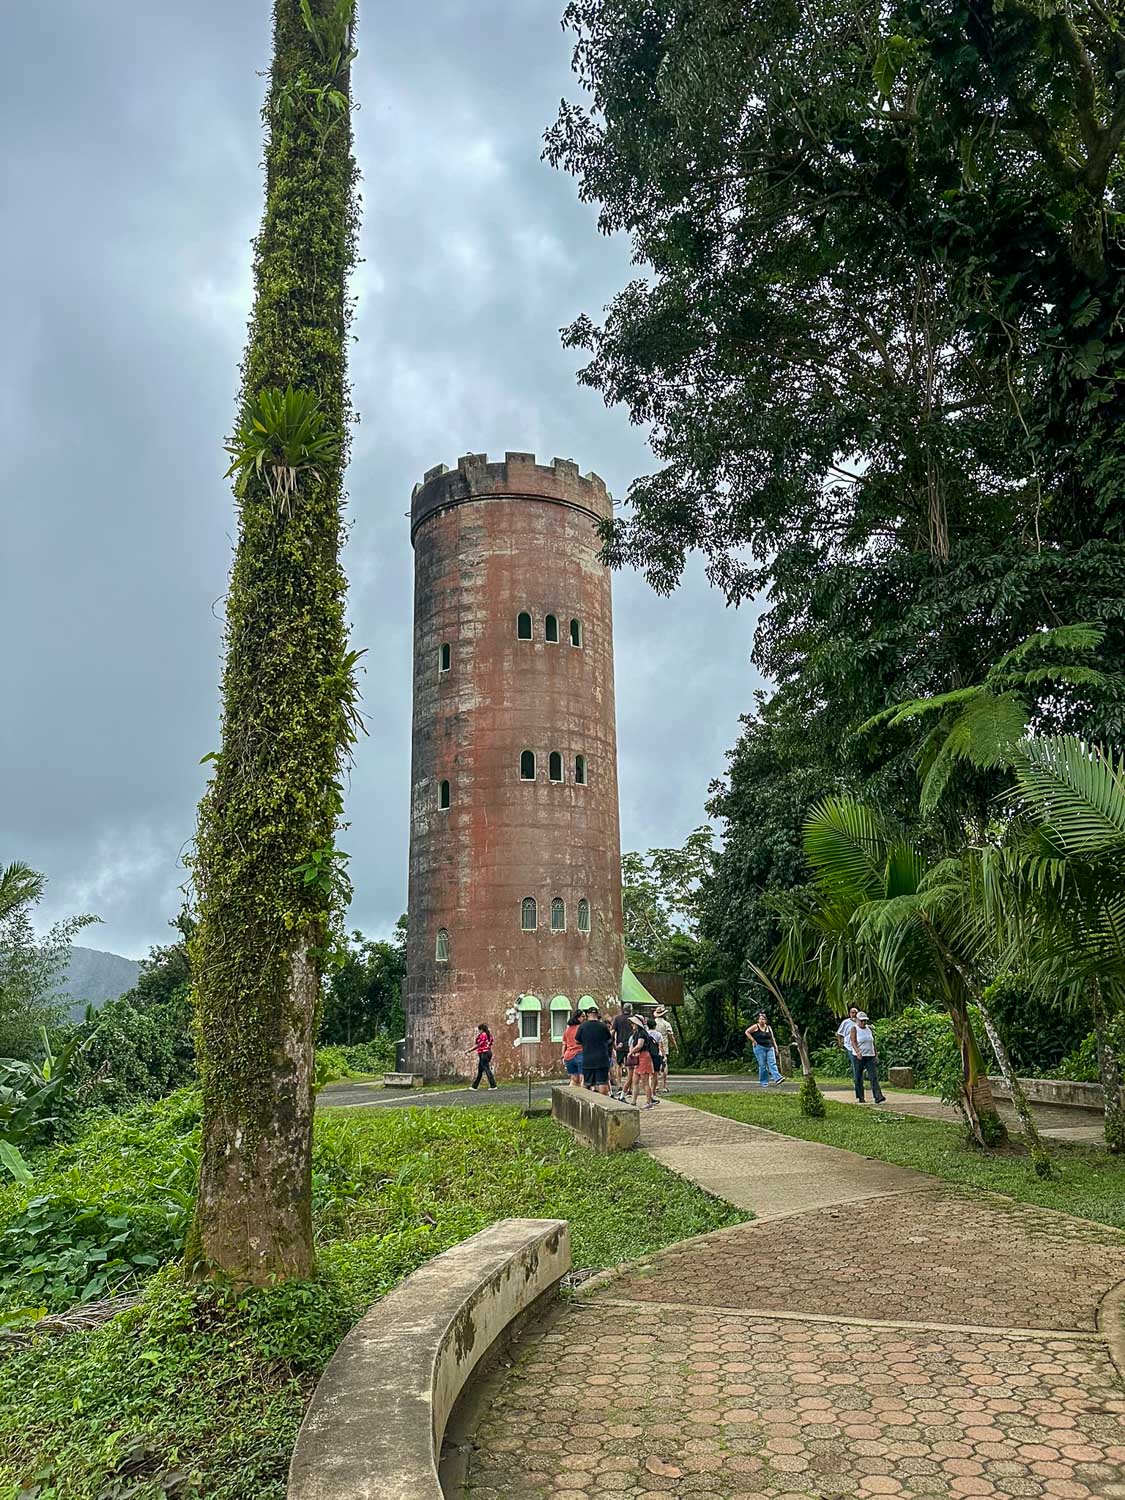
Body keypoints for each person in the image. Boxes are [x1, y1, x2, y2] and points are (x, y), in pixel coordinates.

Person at [575, 1005, 613, 1095]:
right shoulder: (603, 1026)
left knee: (586, 1083)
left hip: (588, 1059)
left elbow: (577, 1041)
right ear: (597, 1014)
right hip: (602, 1058)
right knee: (602, 1082)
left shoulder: (582, 1026)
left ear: (588, 1015)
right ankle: (603, 1101)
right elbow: (609, 1039)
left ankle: (585, 1100)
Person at [850, 1012, 886, 1103]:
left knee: (873, 1076)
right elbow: (853, 1042)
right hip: (859, 1056)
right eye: (861, 1021)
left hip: (870, 1055)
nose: (863, 1023)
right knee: (858, 1077)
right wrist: (858, 1052)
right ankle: (860, 1096)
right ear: (858, 1020)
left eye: (865, 1021)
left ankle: (878, 1096)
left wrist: (875, 1054)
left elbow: (873, 1042)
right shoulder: (854, 1029)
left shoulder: (869, 1029)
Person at [744, 1012, 784, 1088]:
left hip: (769, 1047)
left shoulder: (768, 1028)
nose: (762, 1021)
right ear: (758, 1020)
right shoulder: (755, 1027)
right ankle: (764, 1082)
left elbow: (772, 1038)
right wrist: (753, 1040)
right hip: (759, 1047)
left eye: (763, 1019)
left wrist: (776, 1047)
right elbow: (747, 1032)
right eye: (760, 1019)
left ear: (766, 1020)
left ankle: (778, 1078)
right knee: (762, 1065)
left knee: (772, 1063)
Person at [628, 1019, 658, 1108]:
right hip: (638, 1057)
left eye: (633, 1023)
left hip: (644, 1057)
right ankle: (633, 1101)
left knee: (645, 1082)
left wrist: (631, 1052)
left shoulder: (642, 1033)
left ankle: (649, 1102)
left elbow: (640, 1045)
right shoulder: (636, 1033)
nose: (632, 1025)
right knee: (635, 1080)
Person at [610, 1003, 634, 1099]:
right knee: (630, 1067)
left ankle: (620, 1085)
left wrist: (612, 1042)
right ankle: (629, 1088)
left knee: (618, 1065)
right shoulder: (633, 1019)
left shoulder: (617, 1019)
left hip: (620, 1045)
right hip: (630, 1045)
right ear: (630, 1009)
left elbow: (613, 1031)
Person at [652, 1006, 675, 1093]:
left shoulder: (653, 1023)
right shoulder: (666, 1024)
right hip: (664, 1047)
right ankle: (664, 1086)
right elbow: (670, 1035)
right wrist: (674, 1044)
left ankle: (656, 1085)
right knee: (664, 1065)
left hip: (654, 1047)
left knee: (655, 1066)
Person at [470, 1023, 497, 1090]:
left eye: (479, 1030)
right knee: (480, 1069)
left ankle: (493, 1085)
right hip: (488, 1052)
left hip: (484, 1053)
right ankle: (474, 1086)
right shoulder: (489, 1035)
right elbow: (491, 1043)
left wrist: (469, 1050)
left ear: (481, 1029)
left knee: (486, 1068)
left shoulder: (483, 1035)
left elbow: (479, 1044)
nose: (479, 1031)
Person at [562, 1009, 584, 1088]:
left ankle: (570, 1094)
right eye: (582, 1016)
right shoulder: (581, 1028)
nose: (584, 1018)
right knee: (582, 1078)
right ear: (578, 1018)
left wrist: (562, 1055)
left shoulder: (567, 1029)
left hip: (568, 1056)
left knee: (574, 1079)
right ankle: (582, 1095)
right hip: (580, 1053)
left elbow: (564, 1044)